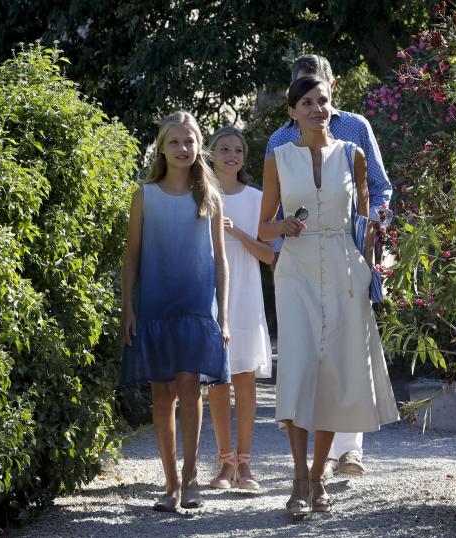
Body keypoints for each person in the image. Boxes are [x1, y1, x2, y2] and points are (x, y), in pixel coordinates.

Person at [259, 76, 398, 514]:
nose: (317, 108)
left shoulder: (353, 154)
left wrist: (375, 259)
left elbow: (362, 221)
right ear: (292, 111)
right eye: (307, 102)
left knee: (334, 376)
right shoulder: (277, 158)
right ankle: (298, 477)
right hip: (296, 271)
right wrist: (282, 227)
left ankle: (317, 479)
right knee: (299, 371)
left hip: (344, 268)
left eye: (323, 101)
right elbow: (264, 226)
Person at [120, 111, 230, 512]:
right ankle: (169, 485)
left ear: (199, 145)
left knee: (190, 388)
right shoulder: (143, 195)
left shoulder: (209, 197)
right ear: (162, 147)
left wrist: (226, 316)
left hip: (197, 305)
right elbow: (131, 256)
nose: (184, 149)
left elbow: (221, 260)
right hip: (154, 305)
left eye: (190, 141)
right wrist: (127, 308)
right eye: (175, 142)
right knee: (162, 394)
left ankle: (192, 478)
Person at [206, 126, 273, 491]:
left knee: (244, 379)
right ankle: (223, 465)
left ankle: (245, 466)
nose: (232, 155)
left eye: (238, 150)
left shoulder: (256, 198)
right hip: (211, 295)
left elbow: (269, 256)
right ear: (211, 154)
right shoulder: (200, 195)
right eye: (224, 149)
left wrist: (234, 232)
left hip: (246, 296)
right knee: (217, 380)